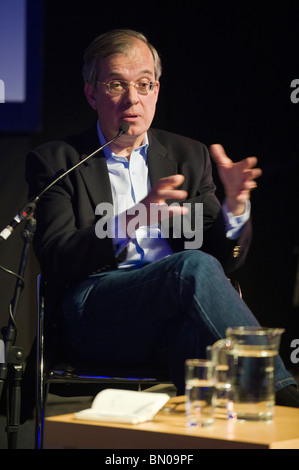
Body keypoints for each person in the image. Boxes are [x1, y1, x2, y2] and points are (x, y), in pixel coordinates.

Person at [25, 29, 298, 406]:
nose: (132, 98)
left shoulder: (189, 155)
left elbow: (224, 260)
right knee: (190, 267)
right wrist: (133, 218)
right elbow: (57, 258)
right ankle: (284, 395)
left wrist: (236, 205)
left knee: (195, 334)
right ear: (92, 93)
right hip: (91, 311)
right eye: (116, 84)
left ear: (156, 89)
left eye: (144, 84)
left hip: (166, 313)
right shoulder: (58, 161)